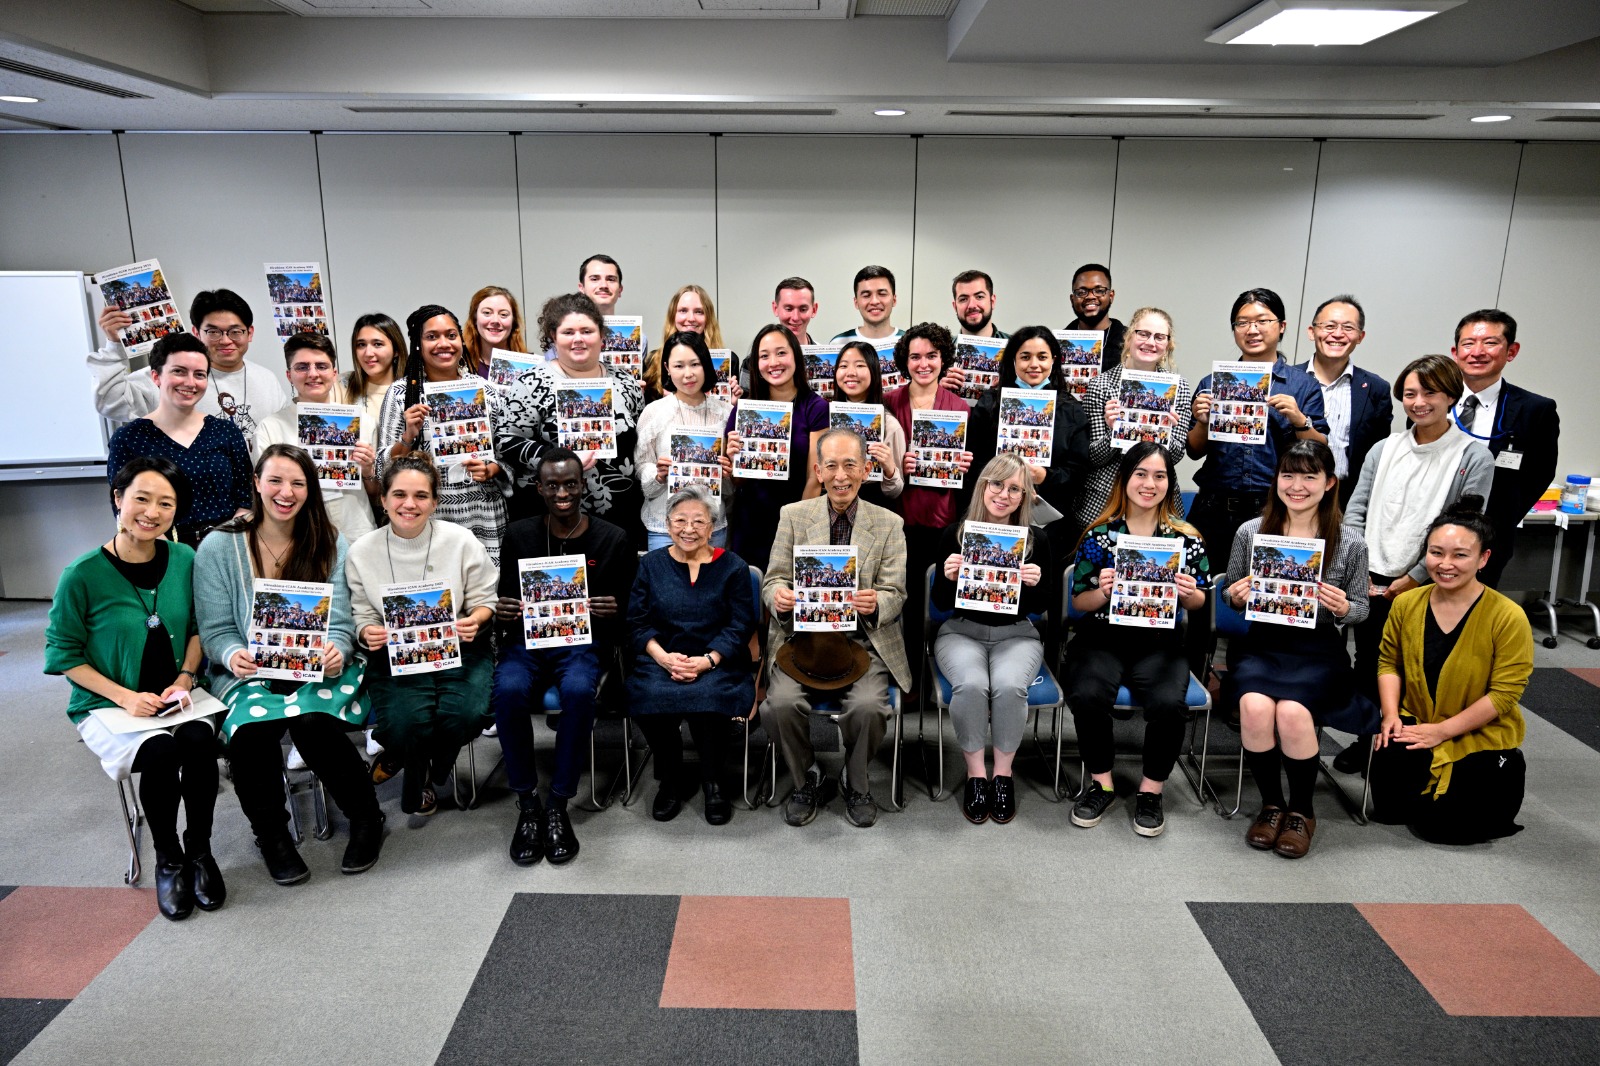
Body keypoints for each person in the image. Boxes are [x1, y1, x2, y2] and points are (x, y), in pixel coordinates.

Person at [193, 444, 381, 885]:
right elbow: (216, 627)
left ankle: (367, 817)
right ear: (256, 484)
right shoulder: (219, 547)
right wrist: (229, 655)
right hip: (246, 670)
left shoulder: (331, 542)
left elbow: (342, 620)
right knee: (251, 732)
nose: (286, 492)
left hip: (321, 667)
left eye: (298, 483)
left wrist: (337, 647)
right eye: (275, 480)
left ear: (310, 489)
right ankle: (272, 835)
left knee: (314, 723)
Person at [45, 457, 217, 921]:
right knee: (160, 752)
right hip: (107, 705)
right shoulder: (81, 574)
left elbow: (200, 627)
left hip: (180, 695)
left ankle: (199, 851)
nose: (152, 511)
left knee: (200, 741)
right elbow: (64, 654)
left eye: (166, 503)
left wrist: (185, 677)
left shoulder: (184, 558)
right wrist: (125, 697)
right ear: (118, 498)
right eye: (142, 498)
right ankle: (168, 859)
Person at [1334, 354, 1494, 772]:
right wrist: (1359, 567)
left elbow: (1463, 527)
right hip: (1370, 575)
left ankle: (1410, 740)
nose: (1419, 402)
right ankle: (1368, 738)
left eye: (1429, 392)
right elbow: (1357, 509)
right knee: (1369, 661)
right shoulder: (1384, 449)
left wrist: (1415, 576)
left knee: (1418, 664)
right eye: (1409, 394)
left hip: (1430, 581)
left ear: (1451, 396)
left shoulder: (1473, 457)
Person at [1221, 441, 1373, 859]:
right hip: (1262, 644)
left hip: (1318, 650)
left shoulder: (1351, 542)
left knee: (1291, 710)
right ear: (1277, 480)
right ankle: (1272, 805)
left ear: (1329, 483)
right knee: (1254, 706)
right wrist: (1235, 595)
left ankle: (1302, 812)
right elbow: (1230, 593)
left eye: (1309, 476)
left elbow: (1361, 607)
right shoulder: (1251, 531)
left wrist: (1345, 607)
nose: (1297, 485)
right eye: (1288, 475)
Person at [490, 449, 636, 866]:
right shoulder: (518, 534)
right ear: (538, 488)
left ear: (583, 484)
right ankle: (527, 804)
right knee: (509, 690)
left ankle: (557, 804)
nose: (562, 493)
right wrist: (504, 608)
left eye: (570, 483)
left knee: (576, 692)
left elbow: (633, 609)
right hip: (527, 643)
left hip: (582, 644)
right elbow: (507, 597)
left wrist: (615, 610)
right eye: (552, 485)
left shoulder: (613, 538)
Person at [760, 429, 912, 829]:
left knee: (867, 706)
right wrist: (778, 597)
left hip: (864, 641)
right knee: (776, 707)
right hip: (803, 643)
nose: (841, 475)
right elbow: (772, 579)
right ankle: (807, 775)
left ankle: (855, 781)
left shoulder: (889, 523)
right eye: (831, 466)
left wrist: (878, 601)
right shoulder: (793, 516)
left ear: (866, 469)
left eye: (850, 465)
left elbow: (896, 591)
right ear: (818, 470)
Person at [1065, 442, 1209, 838]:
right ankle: (1102, 783)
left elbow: (1200, 602)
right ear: (1124, 479)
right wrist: (1104, 592)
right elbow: (1079, 601)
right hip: (1102, 636)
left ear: (1169, 483)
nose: (1149, 483)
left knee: (1167, 702)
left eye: (1159, 476)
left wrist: (1187, 593)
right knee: (1088, 693)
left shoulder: (1186, 538)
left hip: (1160, 641)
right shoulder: (1099, 533)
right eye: (1140, 474)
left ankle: (1151, 790)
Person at [1369, 497, 1532, 844]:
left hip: (1475, 730)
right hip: (1417, 718)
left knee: (1446, 830)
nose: (1445, 564)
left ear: (1483, 558)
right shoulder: (1407, 603)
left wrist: (1442, 731)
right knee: (1388, 809)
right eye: (1436, 552)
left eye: (1460, 555)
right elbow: (1388, 663)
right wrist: (1389, 715)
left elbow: (1504, 695)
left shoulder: (1507, 616)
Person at [1186, 287, 1328, 675]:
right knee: (1200, 594)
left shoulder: (1301, 385)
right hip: (1213, 508)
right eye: (1243, 322)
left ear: (1281, 327)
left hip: (1272, 512)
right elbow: (1194, 450)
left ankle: (1244, 685)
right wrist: (1201, 419)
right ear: (1234, 330)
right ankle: (1193, 680)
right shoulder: (1213, 380)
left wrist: (1300, 420)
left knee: (1259, 600)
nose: (1252, 329)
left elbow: (1321, 451)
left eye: (1262, 321)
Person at [348, 454, 497, 818]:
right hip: (396, 656)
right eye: (399, 494)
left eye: (420, 496)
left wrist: (475, 620)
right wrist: (368, 631)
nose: (409, 504)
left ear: (434, 501)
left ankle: (418, 769)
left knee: (466, 715)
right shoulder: (360, 552)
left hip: (459, 648)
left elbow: (485, 601)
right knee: (405, 724)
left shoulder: (461, 541)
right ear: (382, 500)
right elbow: (362, 615)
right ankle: (411, 759)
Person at [931, 453, 1052, 826]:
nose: (1004, 494)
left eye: (1016, 488)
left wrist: (1035, 583)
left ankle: (1002, 774)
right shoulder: (954, 533)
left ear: (1025, 496)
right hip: (960, 632)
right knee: (970, 684)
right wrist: (948, 578)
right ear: (983, 486)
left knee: (1009, 685)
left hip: (1017, 635)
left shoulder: (1036, 540)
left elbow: (1041, 606)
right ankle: (975, 775)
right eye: (997, 484)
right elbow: (938, 605)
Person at [627, 488, 757, 825]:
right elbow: (637, 621)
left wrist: (708, 661)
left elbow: (741, 624)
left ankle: (714, 781)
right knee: (648, 694)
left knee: (711, 696)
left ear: (712, 527)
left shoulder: (733, 567)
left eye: (698, 521)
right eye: (680, 521)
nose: (689, 529)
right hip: (661, 659)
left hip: (718, 661)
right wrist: (663, 658)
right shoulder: (651, 565)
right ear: (667, 526)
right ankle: (671, 778)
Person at [494, 292, 646, 547]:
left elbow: (639, 442)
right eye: (568, 332)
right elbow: (505, 441)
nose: (578, 339)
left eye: (587, 331)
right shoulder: (531, 383)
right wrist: (561, 460)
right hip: (550, 520)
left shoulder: (626, 383)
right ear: (553, 336)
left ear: (601, 335)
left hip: (618, 522)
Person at [375, 304, 511, 564]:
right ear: (418, 344)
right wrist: (407, 437)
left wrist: (492, 469)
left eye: (451, 335)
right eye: (431, 337)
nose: (443, 343)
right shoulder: (402, 394)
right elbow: (381, 468)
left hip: (483, 513)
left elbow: (507, 456)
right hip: (427, 517)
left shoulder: (486, 391)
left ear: (461, 339)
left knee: (484, 595)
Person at [885, 323, 976, 683]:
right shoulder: (888, 401)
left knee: (933, 603)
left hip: (941, 519)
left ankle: (932, 680)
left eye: (932, 356)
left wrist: (965, 467)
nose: (924, 364)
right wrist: (896, 462)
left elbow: (971, 480)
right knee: (899, 604)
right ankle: (903, 679)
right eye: (915, 356)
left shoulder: (960, 408)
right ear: (904, 361)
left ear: (944, 359)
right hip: (897, 519)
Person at [90, 288, 289, 448]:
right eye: (213, 332)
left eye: (236, 331)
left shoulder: (266, 379)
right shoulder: (171, 377)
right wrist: (115, 344)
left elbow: (280, 437)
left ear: (250, 333)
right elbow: (109, 402)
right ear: (196, 332)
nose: (226, 340)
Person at [105, 332, 253, 547]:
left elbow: (245, 497)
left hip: (227, 545)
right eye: (179, 372)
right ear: (156, 377)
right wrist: (170, 552)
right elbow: (122, 505)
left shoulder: (226, 432)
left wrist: (223, 545)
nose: (190, 382)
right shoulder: (129, 438)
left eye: (199, 374)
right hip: (160, 548)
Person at [1449, 309, 1560, 589]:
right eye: (1468, 343)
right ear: (1455, 351)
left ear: (1511, 351)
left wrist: (1500, 518)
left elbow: (1540, 473)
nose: (1477, 352)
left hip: (1489, 535)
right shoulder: (1431, 400)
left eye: (1490, 342)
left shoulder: (1535, 410)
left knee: (1473, 613)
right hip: (1426, 529)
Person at [965, 326, 1092, 562]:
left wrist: (1045, 476)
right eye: (1025, 357)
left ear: (1053, 360)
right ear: (1013, 360)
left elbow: (1079, 472)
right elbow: (974, 460)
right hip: (994, 514)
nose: (1034, 364)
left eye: (1042, 357)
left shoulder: (1071, 409)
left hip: (1051, 524)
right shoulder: (990, 403)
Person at [1076, 307, 1194, 532]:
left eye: (1159, 337)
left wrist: (1166, 434)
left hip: (1156, 501)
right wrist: (1113, 431)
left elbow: (1176, 457)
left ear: (1168, 345)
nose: (1150, 342)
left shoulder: (1178, 387)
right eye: (1143, 334)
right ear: (1129, 337)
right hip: (1105, 501)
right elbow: (1091, 457)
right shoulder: (1100, 385)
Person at [723, 323, 828, 572]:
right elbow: (738, 481)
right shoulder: (745, 409)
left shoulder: (815, 407)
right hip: (751, 521)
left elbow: (815, 477)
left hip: (798, 520)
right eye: (764, 355)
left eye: (781, 353)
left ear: (795, 356)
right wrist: (733, 458)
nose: (773, 362)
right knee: (751, 596)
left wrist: (798, 527)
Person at [255, 333, 377, 541]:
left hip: (357, 532)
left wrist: (367, 469)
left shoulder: (362, 422)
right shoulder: (270, 427)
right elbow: (267, 493)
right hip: (300, 537)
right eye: (302, 367)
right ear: (289, 375)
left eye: (321, 366)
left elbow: (375, 492)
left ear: (334, 373)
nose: (313, 374)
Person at [636, 331, 733, 550]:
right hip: (665, 528)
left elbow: (729, 489)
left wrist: (727, 474)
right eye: (679, 366)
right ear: (667, 368)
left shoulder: (726, 413)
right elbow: (641, 466)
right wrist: (658, 475)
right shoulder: (653, 412)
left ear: (705, 365)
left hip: (712, 528)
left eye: (694, 364)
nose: (688, 374)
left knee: (712, 585)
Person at [1302, 295, 1392, 507]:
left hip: (1346, 500)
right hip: (1291, 494)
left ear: (1360, 336)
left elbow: (1378, 454)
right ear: (1311, 331)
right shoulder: (1287, 380)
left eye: (1348, 328)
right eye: (1329, 326)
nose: (1338, 334)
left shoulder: (1376, 389)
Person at [832, 339, 907, 510]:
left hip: (872, 510)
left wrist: (889, 468)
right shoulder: (824, 418)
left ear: (873, 371)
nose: (850, 372)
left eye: (860, 365)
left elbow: (895, 492)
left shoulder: (889, 424)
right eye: (843, 366)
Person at [343, 312, 408, 504]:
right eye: (361, 345)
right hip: (354, 498)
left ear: (396, 350)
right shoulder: (342, 385)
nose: (368, 353)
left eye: (377, 344)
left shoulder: (409, 391)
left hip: (400, 495)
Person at [642, 284, 739, 404]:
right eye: (683, 311)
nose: (691, 318)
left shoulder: (729, 360)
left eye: (699, 312)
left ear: (708, 318)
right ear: (673, 316)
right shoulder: (653, 361)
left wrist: (733, 405)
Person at [1062, 264, 1123, 372]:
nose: (1090, 296)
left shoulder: (1130, 342)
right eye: (1081, 292)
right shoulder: (1057, 343)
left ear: (1111, 296)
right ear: (1072, 299)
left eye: (1099, 291)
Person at [462, 285, 527, 379]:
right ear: (474, 319)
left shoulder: (530, 367)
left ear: (514, 321)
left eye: (503, 314)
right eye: (487, 313)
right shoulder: (460, 365)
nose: (495, 321)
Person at [832, 265, 904, 343]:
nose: (874, 301)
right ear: (856, 302)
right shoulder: (839, 343)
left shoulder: (909, 342)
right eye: (866, 295)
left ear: (894, 300)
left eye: (882, 294)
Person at [952, 270, 1007, 340]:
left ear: (992, 301)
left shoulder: (1018, 347)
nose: (971, 305)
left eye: (979, 297)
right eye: (963, 299)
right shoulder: (943, 349)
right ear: (955, 306)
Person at [773, 276, 822, 347]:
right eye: (788, 309)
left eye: (803, 309)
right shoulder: (758, 356)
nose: (795, 318)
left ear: (814, 310)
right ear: (775, 308)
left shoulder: (823, 356)